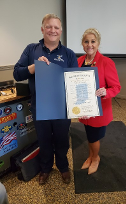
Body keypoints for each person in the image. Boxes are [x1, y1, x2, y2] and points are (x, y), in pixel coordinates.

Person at [13, 14, 78, 184]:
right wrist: (34, 67)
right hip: (39, 107)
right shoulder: (31, 49)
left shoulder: (69, 54)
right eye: (49, 27)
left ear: (61, 31)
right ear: (42, 29)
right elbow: (16, 73)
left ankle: (63, 167)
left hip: (61, 107)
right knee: (44, 140)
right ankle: (45, 168)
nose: (52, 30)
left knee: (62, 140)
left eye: (56, 27)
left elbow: (76, 81)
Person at [77, 28, 121, 174]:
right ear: (82, 44)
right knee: (89, 134)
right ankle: (90, 156)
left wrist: (105, 91)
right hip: (84, 110)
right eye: (86, 41)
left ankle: (96, 158)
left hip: (99, 110)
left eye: (93, 41)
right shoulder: (79, 61)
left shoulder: (106, 62)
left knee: (94, 137)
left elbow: (116, 87)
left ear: (98, 43)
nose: (89, 44)